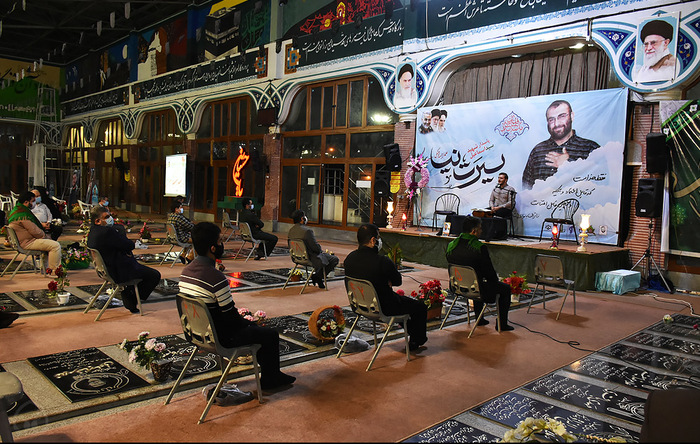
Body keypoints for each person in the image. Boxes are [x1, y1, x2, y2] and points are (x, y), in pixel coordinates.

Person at [179, 222, 296, 391]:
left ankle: (270, 375)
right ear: (213, 248)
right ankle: (271, 378)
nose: (222, 244)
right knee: (269, 335)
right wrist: (250, 323)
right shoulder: (215, 277)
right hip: (221, 338)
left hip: (196, 334)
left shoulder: (186, 272)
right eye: (220, 241)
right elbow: (231, 318)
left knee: (255, 330)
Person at [343, 223, 428, 351]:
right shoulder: (382, 261)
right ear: (373, 240)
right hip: (384, 307)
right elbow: (397, 281)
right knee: (419, 307)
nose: (379, 241)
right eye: (378, 237)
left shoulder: (349, 259)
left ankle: (413, 335)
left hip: (359, 306)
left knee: (404, 305)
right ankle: (417, 340)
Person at [87, 206, 161, 314]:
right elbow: (129, 245)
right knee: (154, 275)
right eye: (106, 217)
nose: (110, 219)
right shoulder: (107, 232)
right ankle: (131, 296)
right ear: (97, 221)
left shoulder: (92, 232)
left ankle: (130, 294)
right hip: (118, 272)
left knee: (138, 268)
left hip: (105, 271)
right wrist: (121, 234)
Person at [445, 216, 513, 331]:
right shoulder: (479, 247)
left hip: (456, 287)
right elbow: (490, 274)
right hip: (477, 290)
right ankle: (502, 324)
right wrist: (494, 281)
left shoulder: (452, 245)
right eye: (480, 228)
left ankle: (479, 319)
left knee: (477, 280)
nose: (482, 231)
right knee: (505, 289)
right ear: (474, 231)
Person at [522, 100, 600, 190]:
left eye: (561, 116)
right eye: (551, 119)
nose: (556, 124)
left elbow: (602, 183)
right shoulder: (537, 151)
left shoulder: (590, 148)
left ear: (571, 116)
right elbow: (526, 189)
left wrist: (567, 165)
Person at [7, 191, 62, 270]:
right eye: (32, 201)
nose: (34, 203)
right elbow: (35, 231)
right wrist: (45, 236)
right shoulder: (23, 214)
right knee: (55, 245)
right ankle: (55, 270)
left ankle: (44, 268)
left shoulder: (16, 210)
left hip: (23, 241)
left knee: (49, 242)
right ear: (26, 202)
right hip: (28, 242)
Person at [288, 209, 339, 289]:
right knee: (334, 259)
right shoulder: (307, 231)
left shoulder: (291, 231)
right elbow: (316, 248)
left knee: (324, 257)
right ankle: (318, 276)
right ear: (302, 219)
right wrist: (320, 250)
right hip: (309, 258)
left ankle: (318, 276)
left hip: (296, 258)